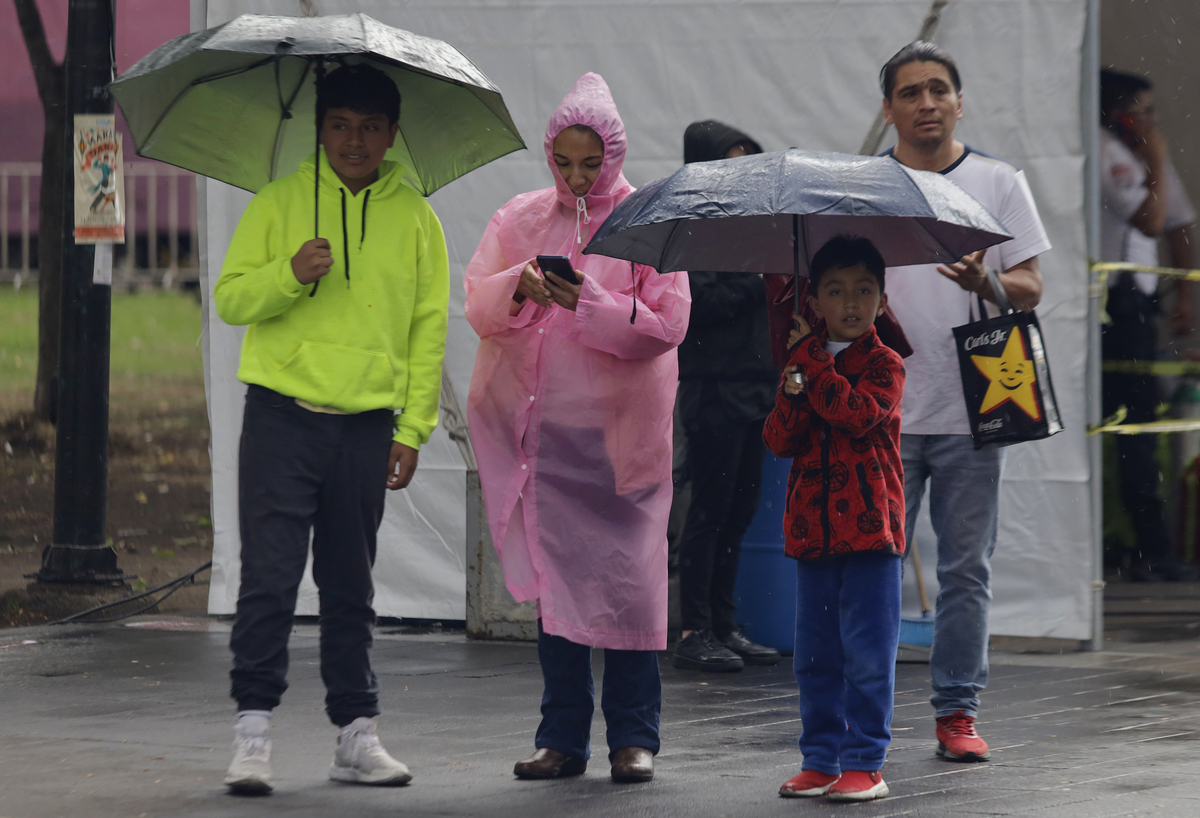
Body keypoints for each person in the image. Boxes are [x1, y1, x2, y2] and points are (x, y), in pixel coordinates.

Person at [213, 64, 449, 794]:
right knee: (270, 580)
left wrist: (413, 428)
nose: (355, 140)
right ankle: (252, 733)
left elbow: (427, 327)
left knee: (350, 585)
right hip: (282, 419)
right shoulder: (280, 202)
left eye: (370, 127)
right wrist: (288, 272)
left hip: (367, 428)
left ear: (392, 135)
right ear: (320, 129)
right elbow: (229, 299)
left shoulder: (416, 217)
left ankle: (357, 733)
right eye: (341, 124)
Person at [463, 73, 690, 784]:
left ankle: (634, 735)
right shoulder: (521, 219)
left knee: (630, 587)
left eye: (592, 162)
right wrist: (520, 289)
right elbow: (478, 301)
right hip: (548, 445)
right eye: (564, 161)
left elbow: (667, 326)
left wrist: (588, 299)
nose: (577, 176)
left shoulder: (650, 222)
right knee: (558, 593)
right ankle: (562, 736)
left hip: (621, 445)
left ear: (615, 154)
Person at [877, 42, 1051, 762]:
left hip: (979, 400)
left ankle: (957, 710)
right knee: (872, 565)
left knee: (966, 567)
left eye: (938, 90)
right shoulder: (866, 185)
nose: (926, 104)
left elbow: (1032, 286)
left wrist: (986, 284)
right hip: (881, 407)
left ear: (959, 100)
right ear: (887, 108)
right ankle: (866, 711)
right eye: (910, 93)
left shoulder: (998, 181)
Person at [764, 236, 906, 802]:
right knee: (816, 656)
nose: (850, 302)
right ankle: (820, 758)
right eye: (836, 291)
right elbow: (779, 439)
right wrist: (796, 379)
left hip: (871, 533)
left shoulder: (885, 363)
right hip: (811, 533)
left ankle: (865, 761)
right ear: (815, 300)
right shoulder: (802, 361)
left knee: (868, 655)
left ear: (883, 299)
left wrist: (814, 365)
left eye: (864, 291)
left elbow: (856, 414)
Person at [673, 120, 781, 673]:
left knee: (738, 511)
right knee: (709, 512)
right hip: (712, 390)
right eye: (728, 163)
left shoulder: (752, 230)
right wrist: (756, 278)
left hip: (756, 388)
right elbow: (698, 306)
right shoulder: (691, 230)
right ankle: (694, 627)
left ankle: (724, 622)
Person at [1099, 69, 1196, 582]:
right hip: (1110, 305)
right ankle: (1139, 543)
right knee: (1127, 426)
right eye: (1143, 109)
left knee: (1141, 423)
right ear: (1118, 112)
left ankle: (1153, 546)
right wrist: (1154, 156)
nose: (1152, 122)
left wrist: (1185, 293)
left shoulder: (1145, 155)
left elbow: (1179, 222)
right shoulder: (1104, 151)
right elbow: (1151, 221)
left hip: (1141, 301)